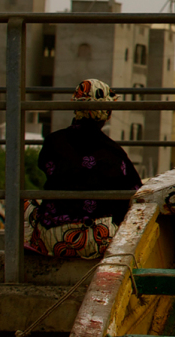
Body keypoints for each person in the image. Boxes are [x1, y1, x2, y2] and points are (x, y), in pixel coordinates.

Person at [23, 79, 142, 259]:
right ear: (107, 114)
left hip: (55, 241)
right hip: (101, 240)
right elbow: (135, 191)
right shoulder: (115, 153)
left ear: (75, 107)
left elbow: (46, 169)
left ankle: (34, 247)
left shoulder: (53, 141)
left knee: (23, 201)